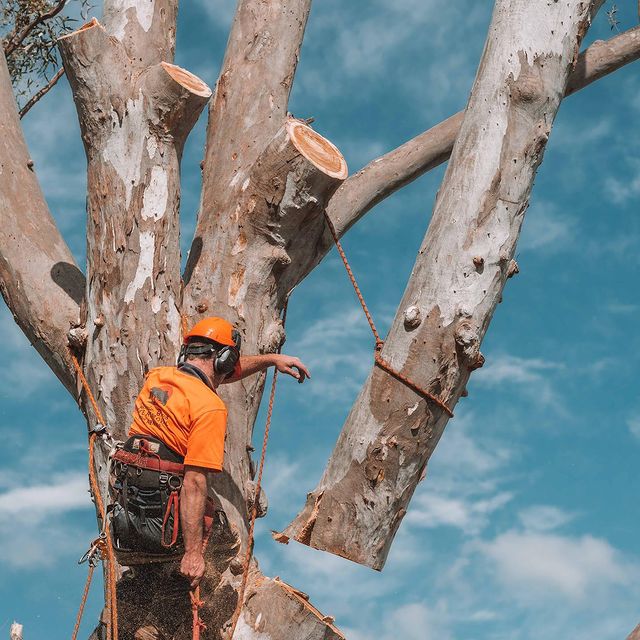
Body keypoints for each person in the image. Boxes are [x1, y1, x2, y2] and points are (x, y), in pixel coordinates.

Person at [109, 317, 310, 588]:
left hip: (129, 500)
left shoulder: (156, 377)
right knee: (221, 543)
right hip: (163, 507)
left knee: (149, 579)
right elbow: (194, 482)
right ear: (224, 360)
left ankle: (140, 599)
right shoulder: (210, 408)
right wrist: (193, 555)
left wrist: (271, 359)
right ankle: (167, 616)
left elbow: (215, 373)